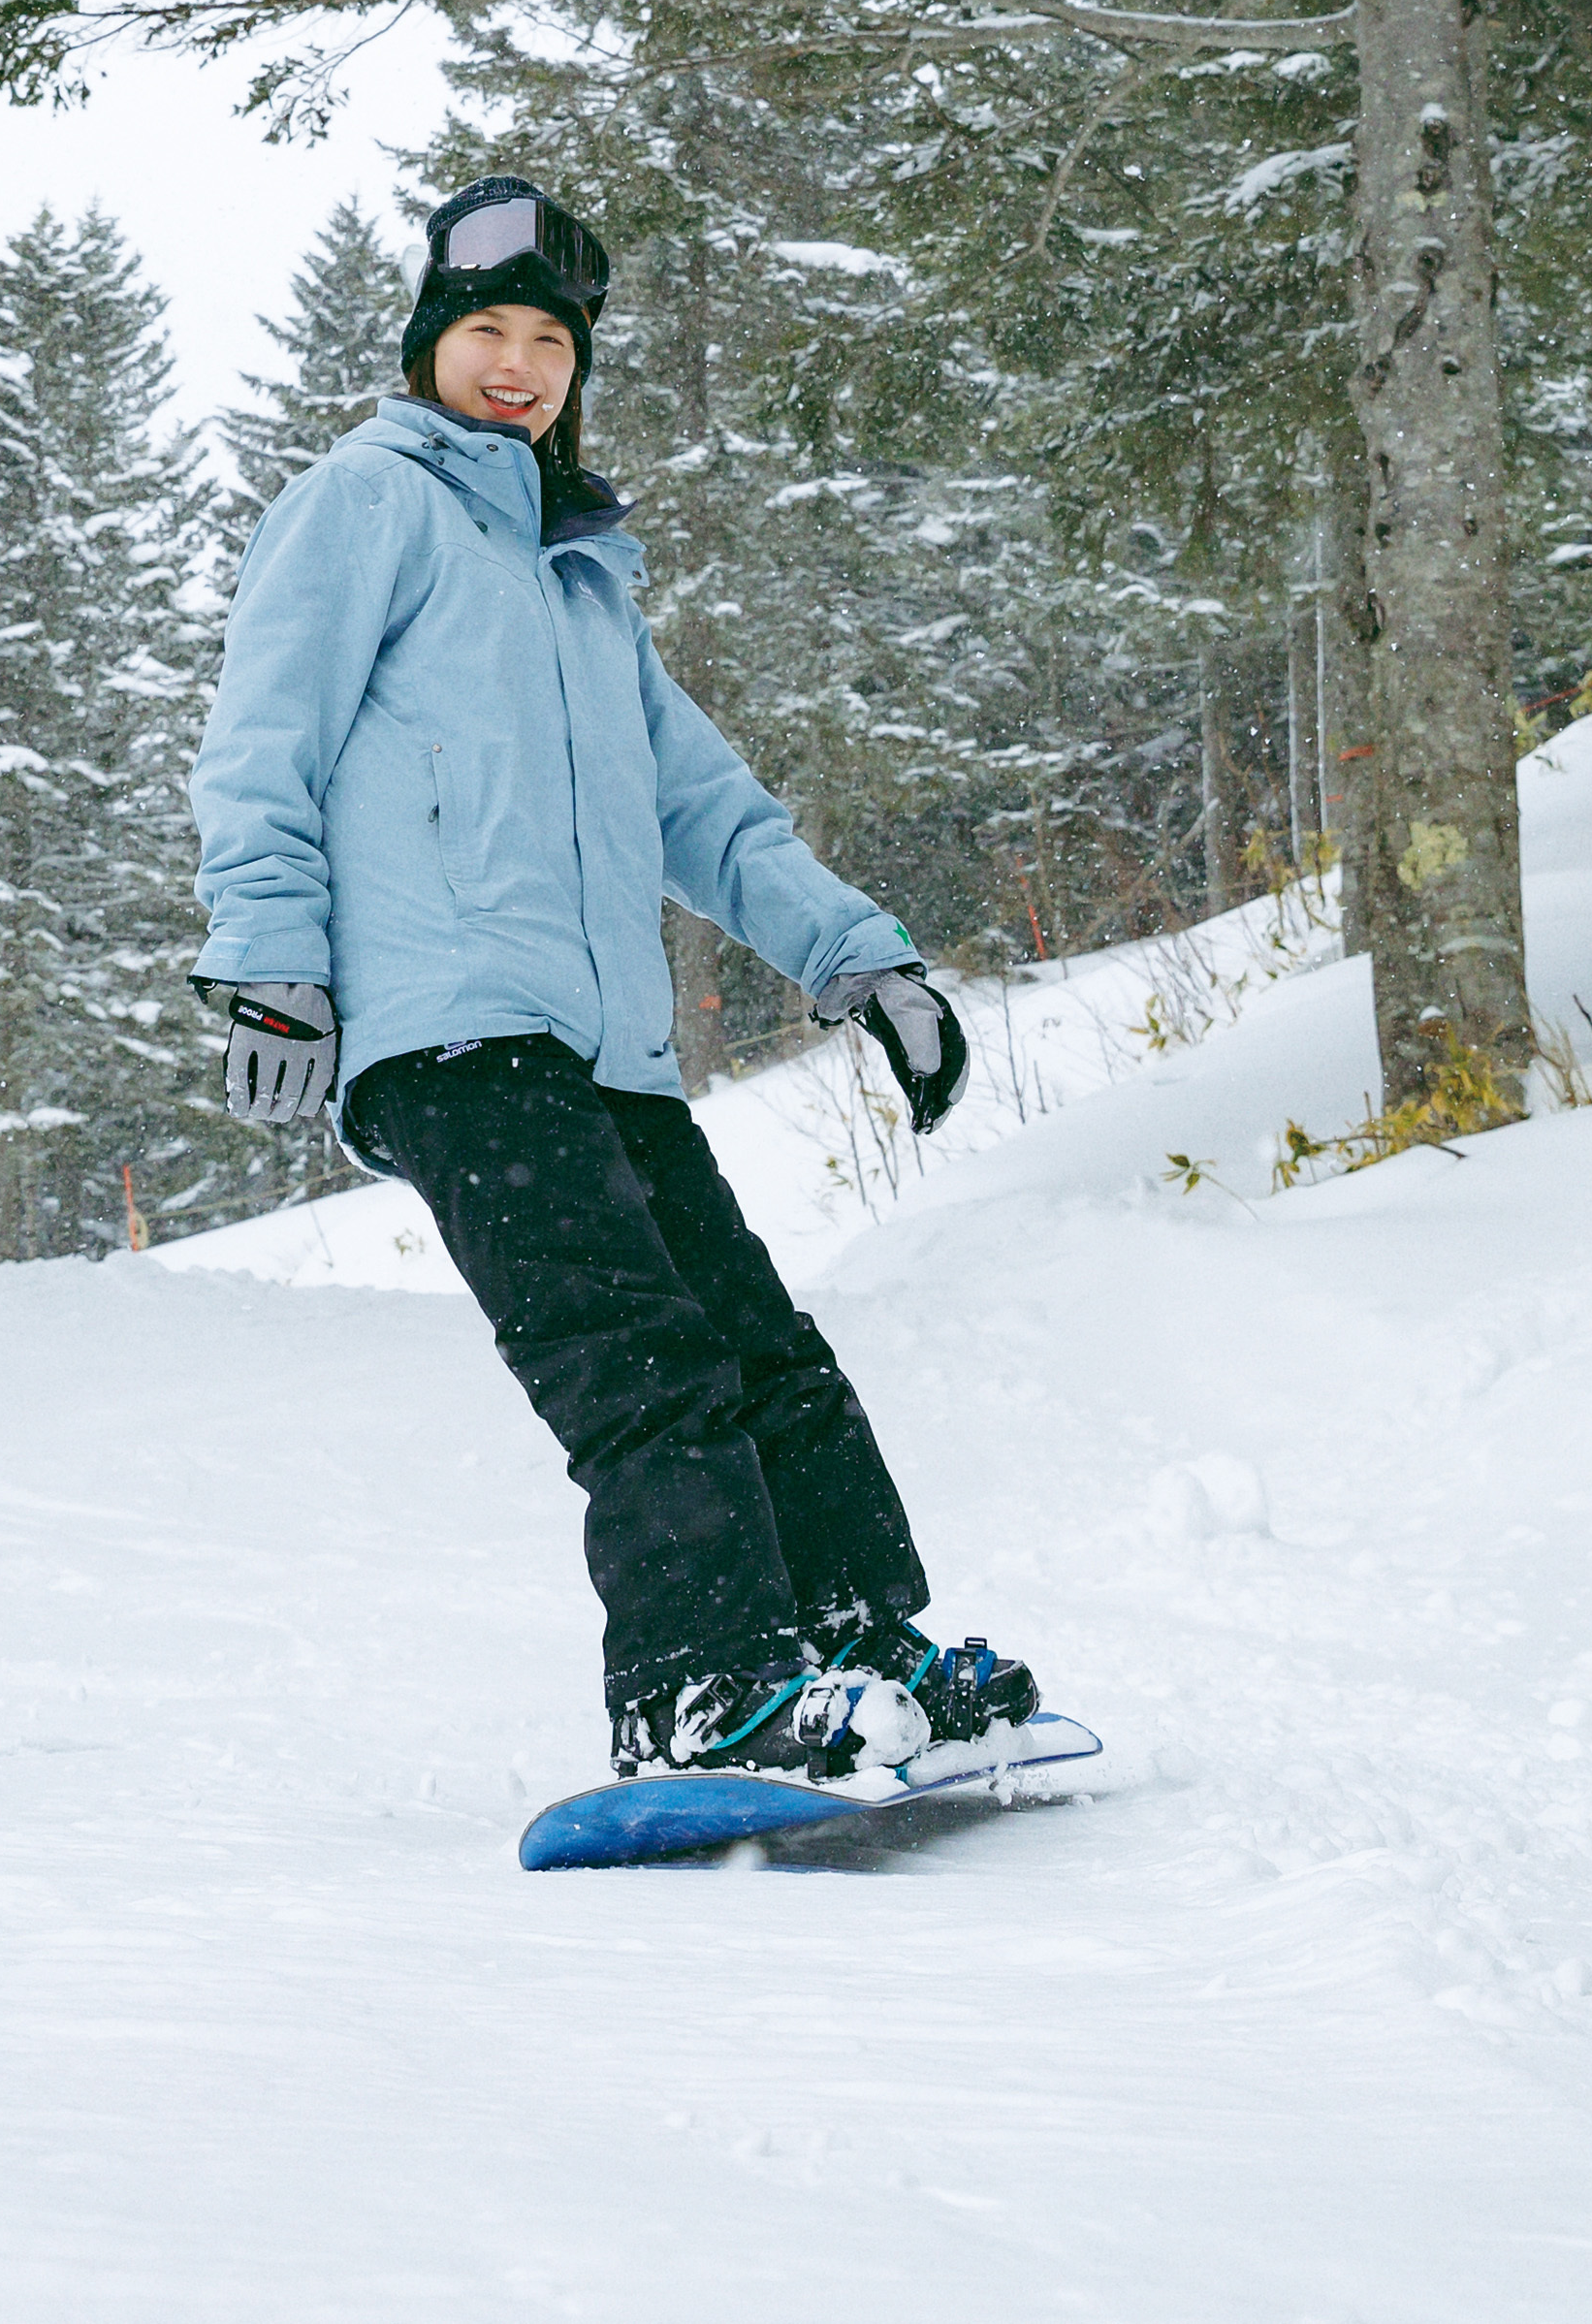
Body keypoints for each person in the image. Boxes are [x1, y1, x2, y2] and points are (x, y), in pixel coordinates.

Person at [191, 175, 1038, 1782]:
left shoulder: (579, 576)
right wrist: (270, 966)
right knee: (637, 1357)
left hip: (605, 1053)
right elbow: (261, 747)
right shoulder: (365, 505)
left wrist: (865, 961)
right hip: (449, 1034)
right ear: (431, 342)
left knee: (759, 1343)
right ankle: (697, 1685)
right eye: (486, 332)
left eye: (548, 343)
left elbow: (704, 809)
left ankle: (851, 1636)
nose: (516, 365)